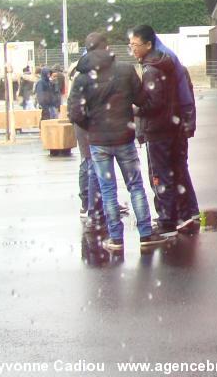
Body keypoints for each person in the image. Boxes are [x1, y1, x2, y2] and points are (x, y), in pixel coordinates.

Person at [68, 32, 167, 251]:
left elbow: (74, 113)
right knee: (136, 186)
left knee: (108, 190)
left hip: (98, 142)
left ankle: (116, 239)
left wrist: (91, 126)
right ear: (107, 47)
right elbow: (141, 99)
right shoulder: (125, 70)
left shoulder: (82, 78)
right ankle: (145, 234)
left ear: (87, 50)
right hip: (124, 138)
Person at [129, 25, 190, 238]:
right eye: (131, 44)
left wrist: (135, 109)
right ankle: (180, 216)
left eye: (135, 45)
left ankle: (166, 221)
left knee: (159, 176)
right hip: (171, 126)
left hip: (157, 129)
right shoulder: (165, 62)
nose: (132, 49)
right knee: (173, 172)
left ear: (148, 44)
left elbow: (153, 102)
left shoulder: (151, 69)